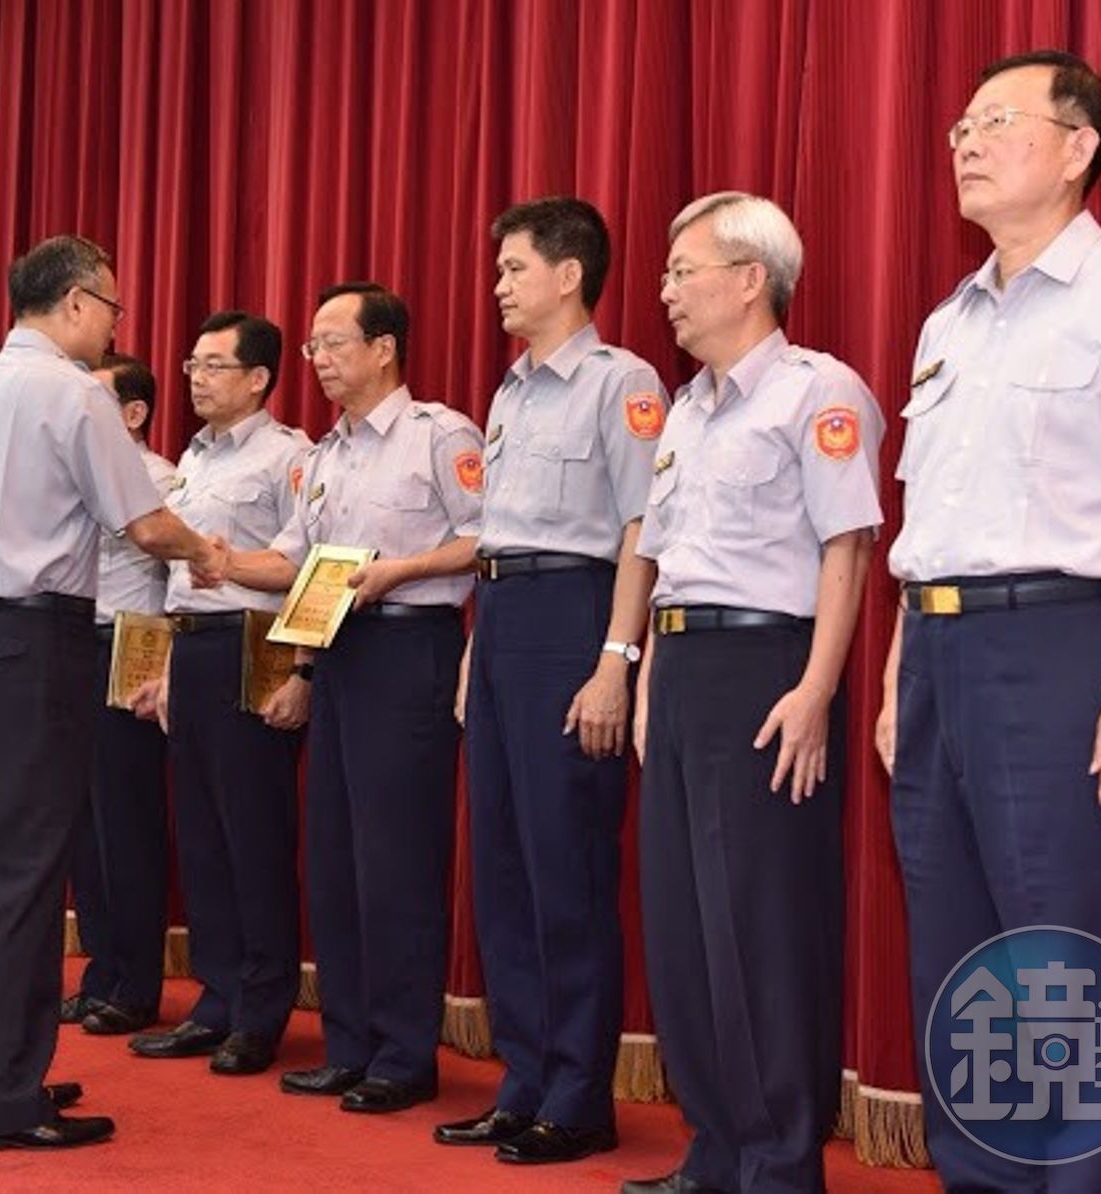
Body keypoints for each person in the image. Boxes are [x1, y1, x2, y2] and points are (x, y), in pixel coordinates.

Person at [876, 51, 1101, 1193]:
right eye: (958, 126)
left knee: (1070, 964)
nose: (964, 141)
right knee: (959, 962)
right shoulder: (948, 322)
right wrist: (898, 679)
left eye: (996, 121)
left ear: (1077, 149)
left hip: (1064, 650)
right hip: (936, 655)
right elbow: (929, 524)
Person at [0, 235, 224, 1151]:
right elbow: (145, 524)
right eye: (111, 307)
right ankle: (3, 1098)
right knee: (23, 876)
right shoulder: (77, 395)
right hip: (33, 645)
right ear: (76, 303)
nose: (115, 326)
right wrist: (208, 552)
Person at [622, 193, 883, 1194]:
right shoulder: (686, 409)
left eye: (682, 271)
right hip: (684, 670)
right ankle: (717, 1147)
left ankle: (779, 1162)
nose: (666, 292)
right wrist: (648, 683)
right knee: (685, 922)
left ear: (748, 279)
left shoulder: (817, 392)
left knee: (761, 924)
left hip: (766, 670)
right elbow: (666, 562)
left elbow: (846, 548)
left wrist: (816, 688)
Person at [435, 197, 665, 1165]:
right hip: (500, 624)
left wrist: (616, 660)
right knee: (501, 865)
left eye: (513, 269)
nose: (497, 286)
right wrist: (472, 652)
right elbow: (496, 536)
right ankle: (523, 1081)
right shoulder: (511, 391)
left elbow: (644, 527)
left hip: (572, 620)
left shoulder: (622, 383)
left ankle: (577, 1096)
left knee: (565, 865)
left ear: (568, 275)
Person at [225, 282, 483, 1113]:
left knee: (396, 858)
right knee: (334, 858)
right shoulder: (323, 456)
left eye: (334, 342)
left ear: (384, 348)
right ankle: (349, 1044)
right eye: (313, 347)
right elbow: (292, 560)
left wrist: (403, 571)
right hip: (337, 653)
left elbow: (486, 536)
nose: (319, 360)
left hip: (410, 647)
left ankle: (404, 1056)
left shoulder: (440, 435)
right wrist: (214, 558)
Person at [128, 310, 311, 1077]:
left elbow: (303, 564)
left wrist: (299, 670)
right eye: (192, 365)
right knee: (201, 836)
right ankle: (217, 998)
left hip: (255, 644)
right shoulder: (194, 457)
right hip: (195, 645)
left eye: (214, 365)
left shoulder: (289, 456)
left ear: (259, 378)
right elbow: (178, 578)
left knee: (252, 835)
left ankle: (262, 1010)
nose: (197, 378)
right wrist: (172, 662)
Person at [60, 353, 175, 1037]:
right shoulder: (77, 476)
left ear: (134, 413)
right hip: (75, 644)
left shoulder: (160, 479)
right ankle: (101, 971)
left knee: (126, 826)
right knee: (84, 826)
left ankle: (136, 985)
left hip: (133, 648)